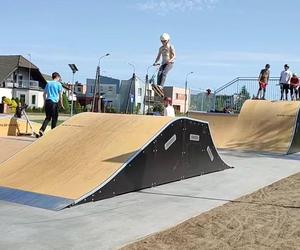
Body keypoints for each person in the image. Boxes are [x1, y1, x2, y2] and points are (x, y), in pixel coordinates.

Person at [38, 72, 64, 137]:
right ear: (57, 77)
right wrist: (61, 104)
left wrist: (44, 102)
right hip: (54, 103)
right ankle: (53, 132)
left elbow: (44, 94)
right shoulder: (59, 84)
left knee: (48, 118)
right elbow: (60, 96)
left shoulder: (48, 83)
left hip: (48, 102)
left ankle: (42, 130)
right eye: (59, 78)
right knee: (54, 118)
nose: (59, 79)